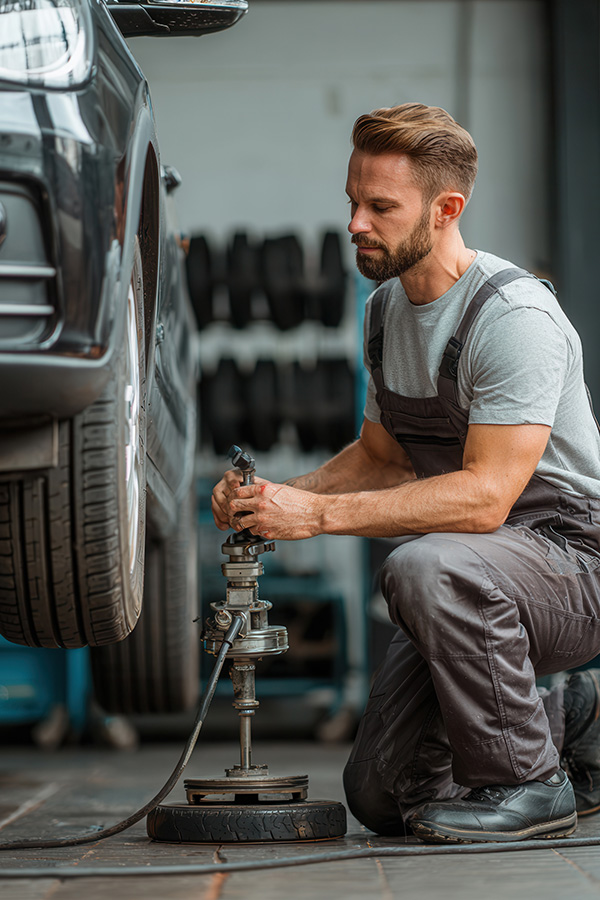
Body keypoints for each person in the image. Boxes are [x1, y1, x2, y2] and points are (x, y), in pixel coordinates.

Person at [211, 102, 600, 844]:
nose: (355, 223)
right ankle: (575, 718)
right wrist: (276, 497)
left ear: (447, 208)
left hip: (574, 563)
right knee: (382, 796)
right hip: (474, 575)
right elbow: (382, 460)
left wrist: (318, 519)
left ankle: (530, 786)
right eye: (352, 201)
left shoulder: (513, 317)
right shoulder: (386, 310)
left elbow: (488, 499)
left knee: (422, 566)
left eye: (380, 206)